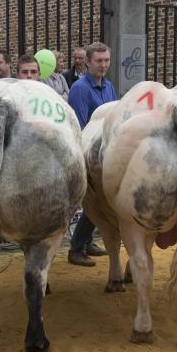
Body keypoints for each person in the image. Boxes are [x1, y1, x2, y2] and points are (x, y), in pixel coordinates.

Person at [66, 41, 116, 267]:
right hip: (87, 154)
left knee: (100, 202)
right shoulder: (80, 89)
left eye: (106, 60)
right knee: (92, 203)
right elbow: (80, 126)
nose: (103, 65)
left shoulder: (109, 87)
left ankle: (85, 243)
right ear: (87, 62)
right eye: (99, 61)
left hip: (105, 153)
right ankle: (76, 248)